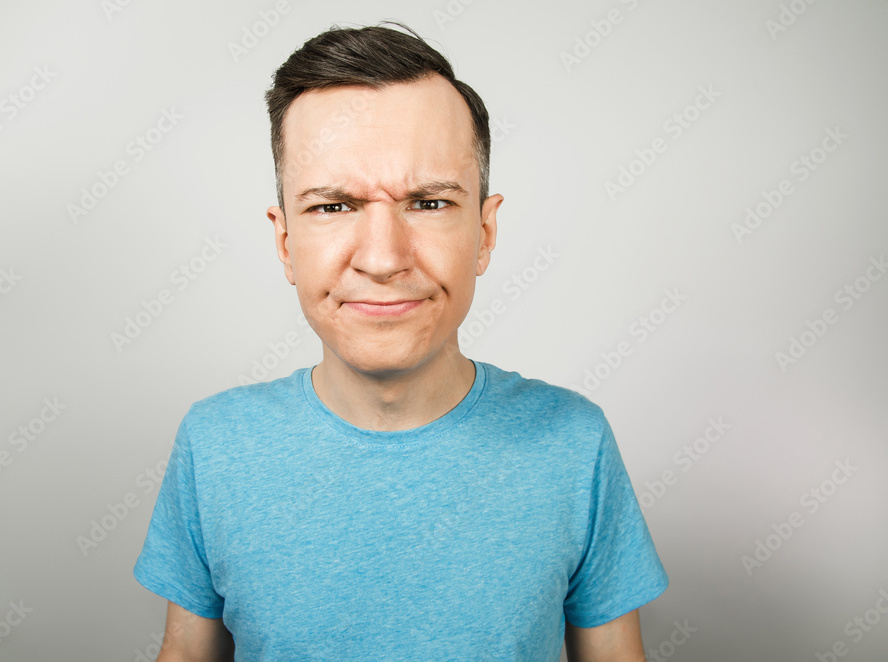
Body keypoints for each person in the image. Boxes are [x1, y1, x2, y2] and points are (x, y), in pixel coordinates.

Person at [133, 21, 668, 661]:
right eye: (333, 207)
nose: (384, 259)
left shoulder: (575, 444)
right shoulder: (213, 445)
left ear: (486, 232)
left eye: (429, 203)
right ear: (284, 242)